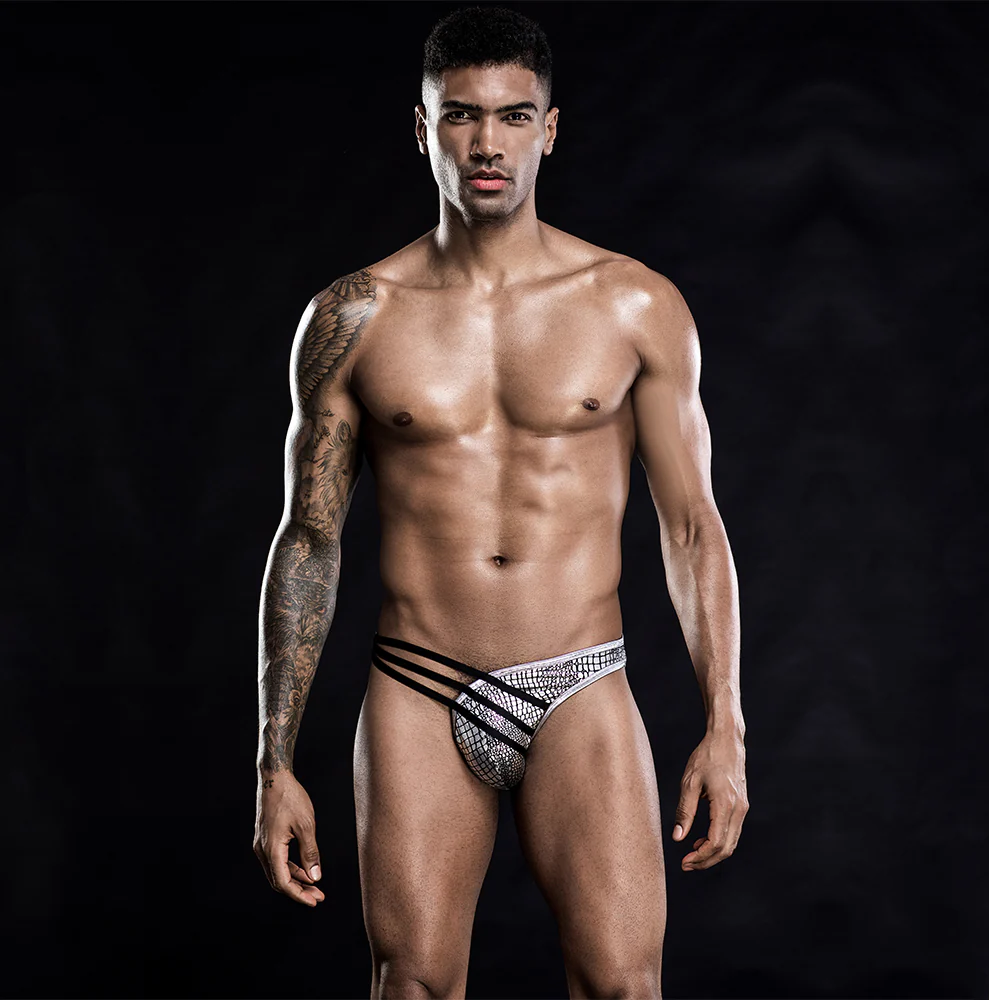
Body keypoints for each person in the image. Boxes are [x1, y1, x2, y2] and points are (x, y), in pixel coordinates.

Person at [253, 6, 748, 998]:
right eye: (462, 115)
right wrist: (274, 760)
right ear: (423, 128)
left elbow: (692, 526)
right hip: (419, 686)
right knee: (412, 983)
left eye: (514, 116)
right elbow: (309, 537)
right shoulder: (354, 316)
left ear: (549, 129)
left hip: (579, 681)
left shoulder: (633, 304)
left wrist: (725, 724)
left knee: (623, 985)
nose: (488, 143)